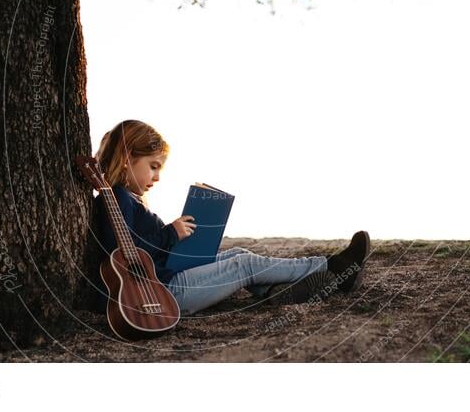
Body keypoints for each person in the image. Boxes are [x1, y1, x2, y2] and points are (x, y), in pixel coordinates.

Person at [91, 119, 371, 316]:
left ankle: (275, 292)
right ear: (128, 157)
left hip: (169, 280)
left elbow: (142, 247)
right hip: (164, 294)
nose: (157, 177)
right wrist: (170, 234)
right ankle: (334, 267)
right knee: (243, 263)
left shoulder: (128, 199)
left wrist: (183, 241)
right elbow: (123, 254)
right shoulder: (114, 197)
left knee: (237, 252)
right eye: (153, 166)